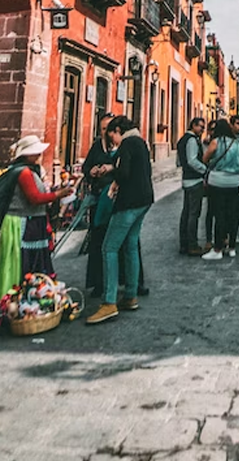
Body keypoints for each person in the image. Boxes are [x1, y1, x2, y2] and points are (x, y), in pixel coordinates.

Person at [86, 116, 154, 325]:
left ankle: (108, 302)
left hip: (129, 203)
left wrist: (113, 176)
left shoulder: (126, 143)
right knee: (131, 246)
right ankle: (131, 295)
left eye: (112, 135)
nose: (112, 140)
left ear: (118, 130)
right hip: (144, 200)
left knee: (109, 248)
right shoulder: (141, 142)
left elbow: (124, 173)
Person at [0, 136, 73, 300]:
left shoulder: (29, 170)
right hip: (22, 221)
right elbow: (34, 198)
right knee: (23, 261)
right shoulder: (23, 172)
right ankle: (21, 298)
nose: (39, 155)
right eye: (36, 152)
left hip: (31, 220)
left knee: (30, 260)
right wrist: (58, 194)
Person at [82, 113, 118, 295]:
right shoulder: (97, 146)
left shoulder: (122, 146)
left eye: (110, 128)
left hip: (116, 200)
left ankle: (127, 280)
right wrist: (92, 171)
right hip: (98, 200)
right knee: (97, 241)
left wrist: (112, 168)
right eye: (103, 128)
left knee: (121, 241)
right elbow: (85, 167)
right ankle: (98, 282)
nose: (107, 132)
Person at [201, 119, 239, 260]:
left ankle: (218, 249)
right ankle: (232, 247)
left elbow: (204, 159)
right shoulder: (238, 145)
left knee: (219, 215)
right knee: (233, 215)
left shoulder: (216, 142)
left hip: (217, 182)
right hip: (234, 183)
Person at [176, 117, 209, 255]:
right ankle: (192, 245)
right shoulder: (192, 140)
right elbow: (192, 161)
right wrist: (205, 170)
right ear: (193, 126)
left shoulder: (182, 140)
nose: (202, 130)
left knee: (186, 213)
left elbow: (179, 161)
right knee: (193, 214)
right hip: (194, 181)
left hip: (186, 180)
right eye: (200, 127)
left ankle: (184, 244)